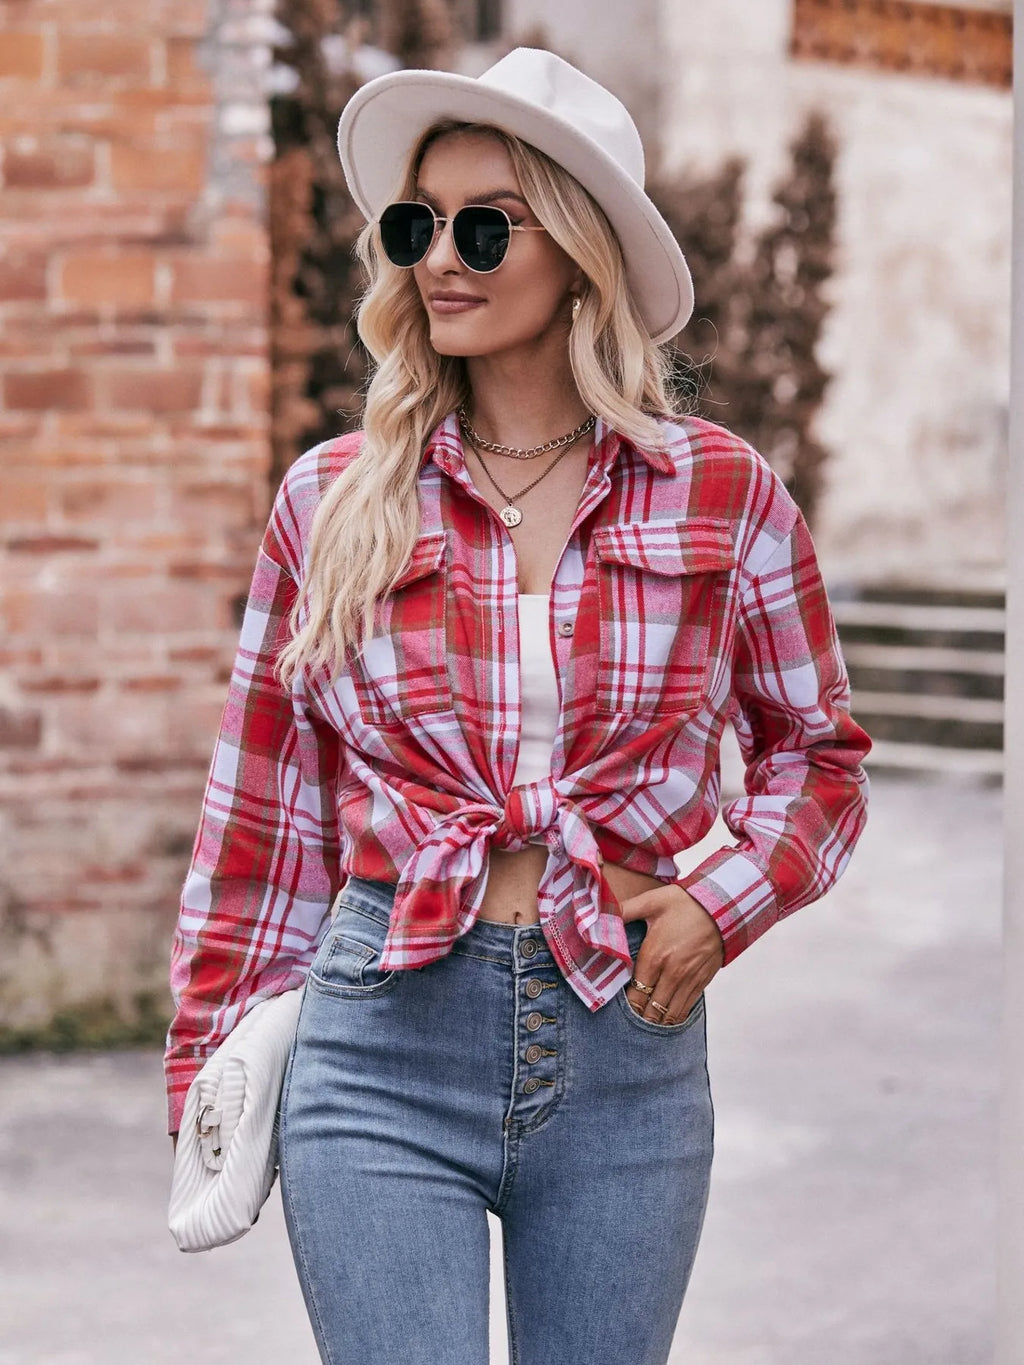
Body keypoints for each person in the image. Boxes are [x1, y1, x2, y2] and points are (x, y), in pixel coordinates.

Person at [165, 47, 871, 1365]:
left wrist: (720, 908)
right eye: (418, 225)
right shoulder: (333, 499)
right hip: (381, 1041)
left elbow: (819, 759)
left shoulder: (721, 494)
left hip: (624, 1050)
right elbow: (262, 811)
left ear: (581, 255)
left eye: (485, 226)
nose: (441, 258)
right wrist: (206, 1062)